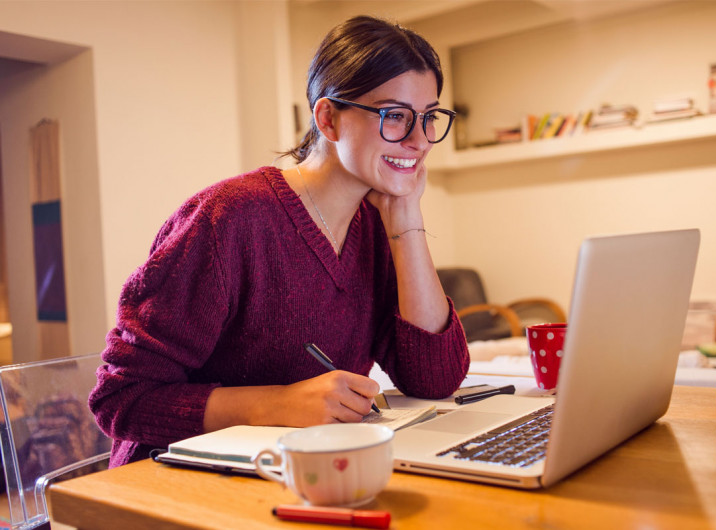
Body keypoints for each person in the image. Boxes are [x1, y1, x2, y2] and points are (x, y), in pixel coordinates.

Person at [89, 15, 470, 468]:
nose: (418, 140)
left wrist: (406, 216)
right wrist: (275, 404)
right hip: (173, 482)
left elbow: (435, 379)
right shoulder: (227, 218)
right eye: (394, 116)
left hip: (297, 473)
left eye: (429, 118)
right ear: (328, 118)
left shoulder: (376, 224)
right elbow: (121, 399)